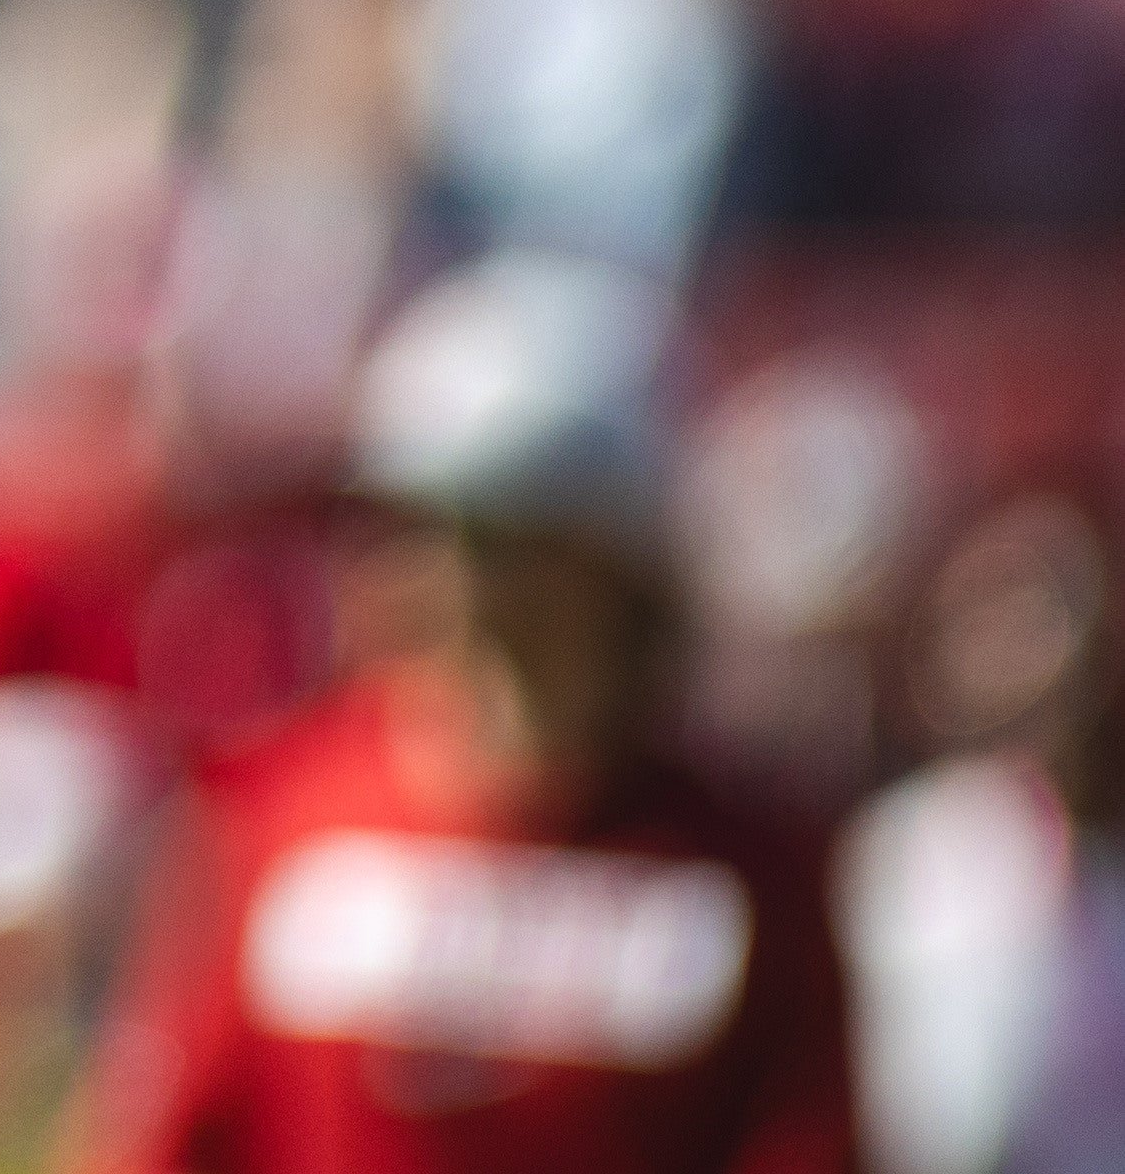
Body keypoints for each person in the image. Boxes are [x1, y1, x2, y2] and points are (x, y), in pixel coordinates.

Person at [65, 254, 857, 1174]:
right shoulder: (272, 823)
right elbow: (166, 1142)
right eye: (425, 531)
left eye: (515, 541)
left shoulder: (756, 870)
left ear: (625, 566)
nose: (466, 582)